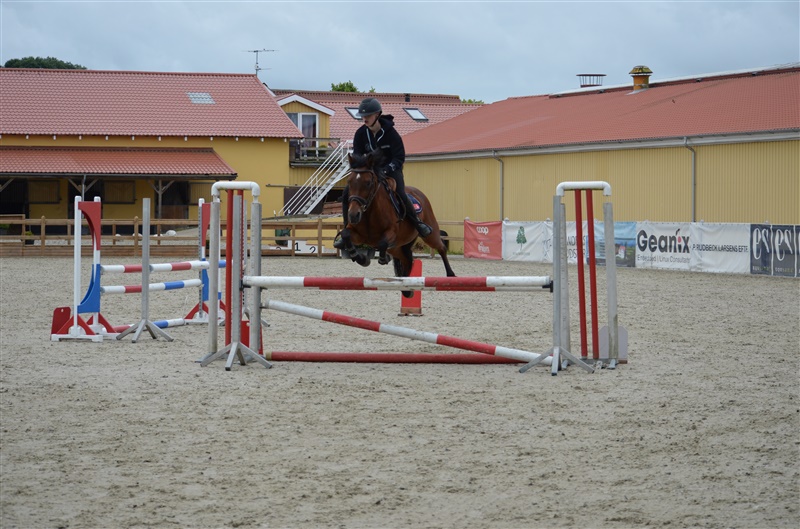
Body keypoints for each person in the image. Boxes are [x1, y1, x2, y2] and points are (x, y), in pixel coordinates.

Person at [334, 97, 432, 249]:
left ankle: (417, 223)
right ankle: (347, 228)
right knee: (347, 192)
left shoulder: (391, 133)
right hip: (369, 172)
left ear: (377, 115)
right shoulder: (360, 134)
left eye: (368, 115)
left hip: (391, 170)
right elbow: (358, 156)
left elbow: (399, 157)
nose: (364, 119)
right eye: (363, 116)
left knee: (401, 192)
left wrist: (387, 169)